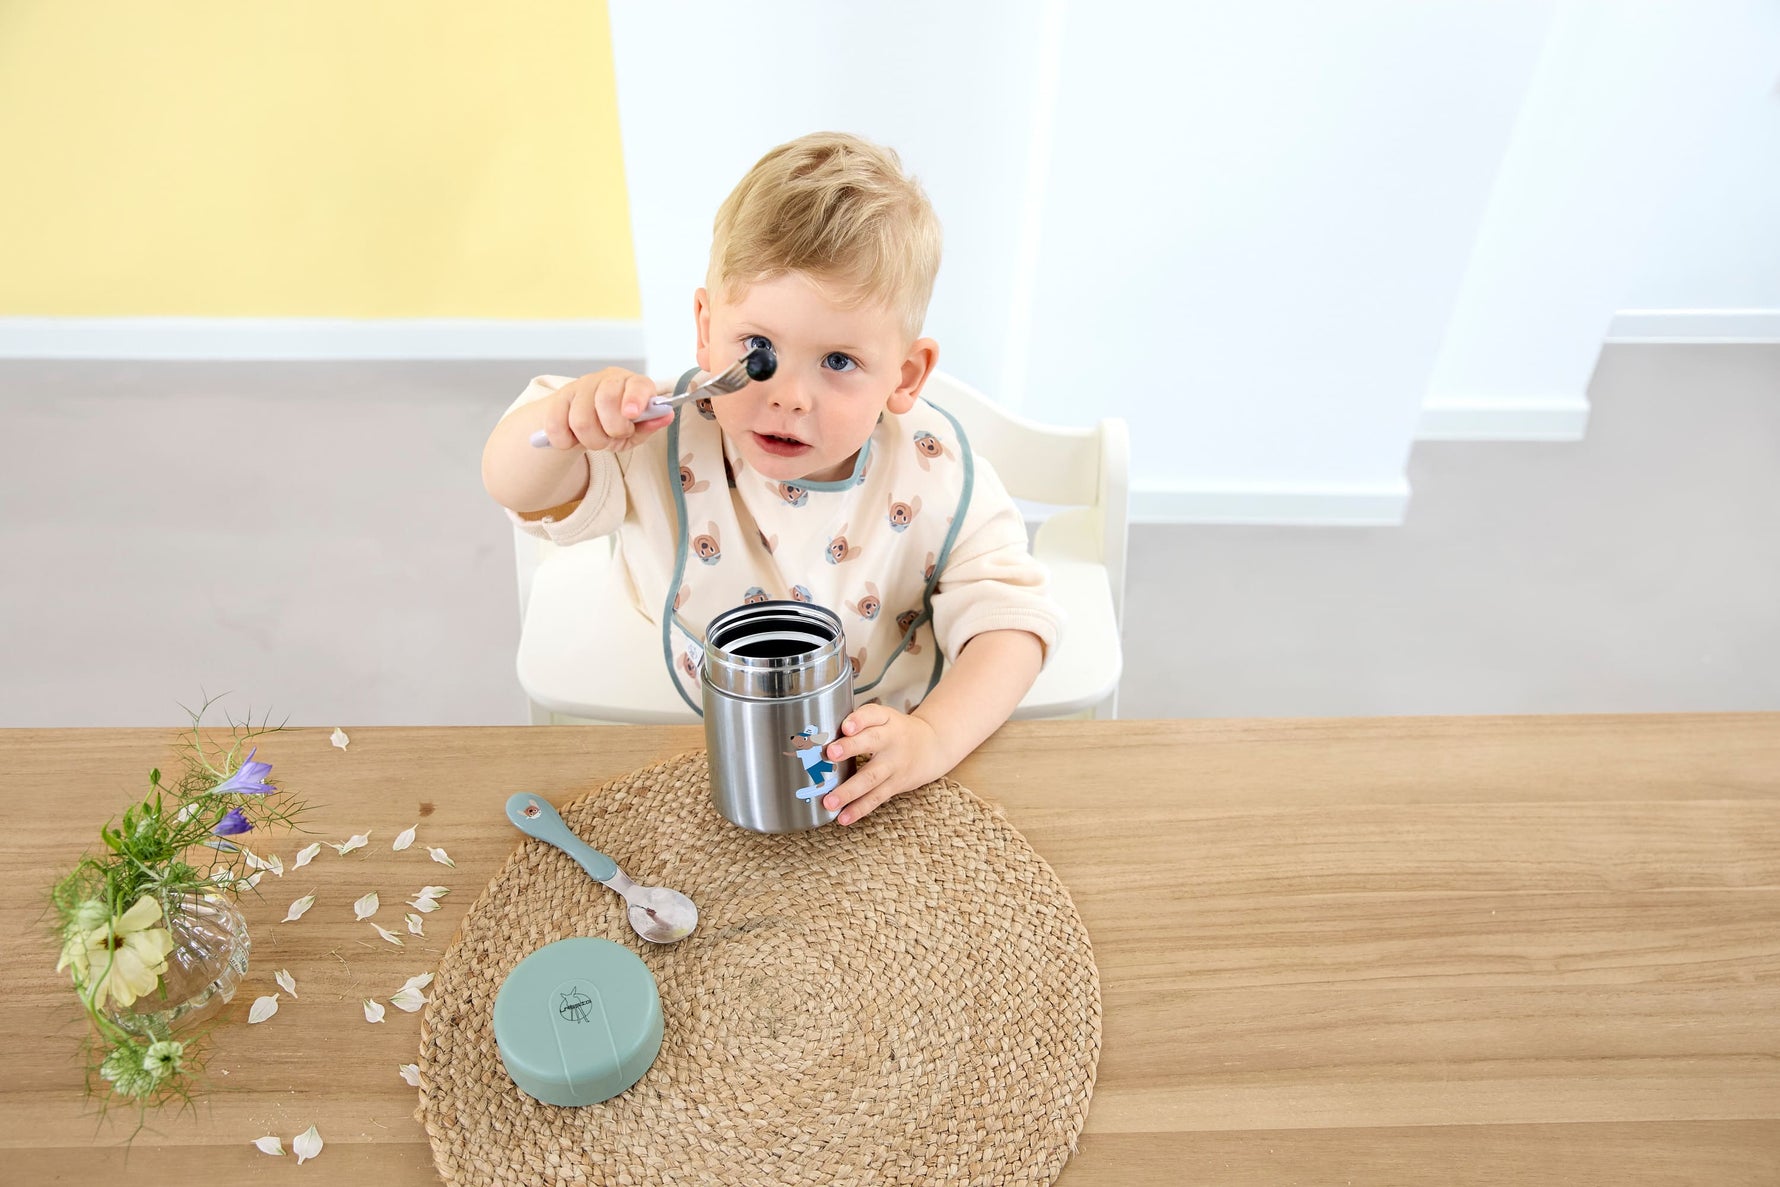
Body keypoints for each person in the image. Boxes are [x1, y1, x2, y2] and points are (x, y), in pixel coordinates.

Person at [482, 131, 1061, 825]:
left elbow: (1013, 627)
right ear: (705, 328)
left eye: (839, 361)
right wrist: (564, 421)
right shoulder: (665, 432)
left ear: (904, 376)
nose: (789, 396)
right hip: (666, 732)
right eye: (758, 350)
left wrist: (933, 736)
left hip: (876, 757)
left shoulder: (934, 471)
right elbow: (516, 485)